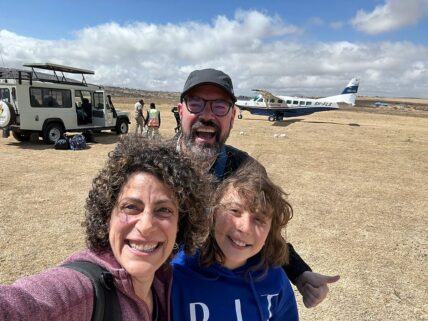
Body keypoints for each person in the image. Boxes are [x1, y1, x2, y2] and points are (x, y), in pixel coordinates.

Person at [176, 68, 340, 308]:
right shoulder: (149, 167)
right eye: (196, 103)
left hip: (217, 296)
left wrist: (300, 273)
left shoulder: (247, 170)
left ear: (232, 117)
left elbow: (267, 234)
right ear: (181, 111)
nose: (207, 115)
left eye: (219, 106)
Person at [0, 134, 211, 320]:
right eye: (131, 207)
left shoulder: (163, 282)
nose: (146, 226)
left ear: (181, 223)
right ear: (107, 216)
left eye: (164, 210)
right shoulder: (84, 292)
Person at [172, 161, 298, 321]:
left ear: (270, 233)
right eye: (234, 210)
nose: (244, 228)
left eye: (259, 219)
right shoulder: (177, 275)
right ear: (213, 214)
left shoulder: (274, 278)